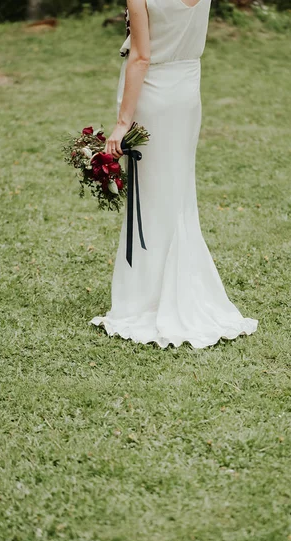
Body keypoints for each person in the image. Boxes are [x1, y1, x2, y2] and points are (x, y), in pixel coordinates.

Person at [90, 0, 258, 349]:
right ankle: (179, 288)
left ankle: (146, 301)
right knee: (178, 197)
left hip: (153, 96)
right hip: (186, 96)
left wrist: (122, 125)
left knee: (153, 201)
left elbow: (141, 57)